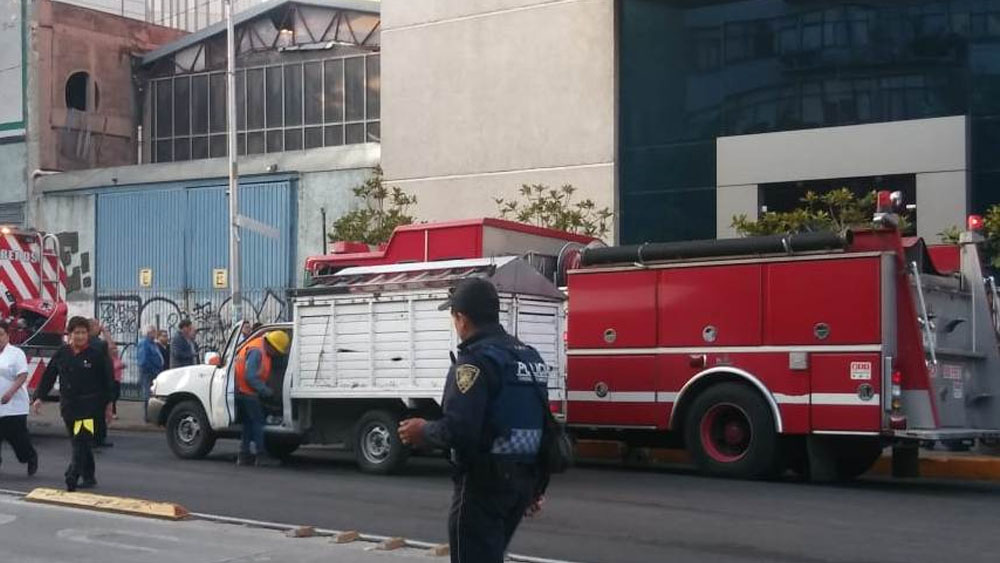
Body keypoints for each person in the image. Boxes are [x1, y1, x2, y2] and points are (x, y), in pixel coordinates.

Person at [398, 278, 550, 563]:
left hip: (484, 485)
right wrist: (537, 486)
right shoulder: (529, 358)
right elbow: (545, 426)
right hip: (521, 484)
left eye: (454, 318)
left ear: (462, 319)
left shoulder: (474, 362)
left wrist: (423, 431)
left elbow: (459, 430)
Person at [31, 316, 114, 492]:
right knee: (81, 442)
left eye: (83, 333)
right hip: (69, 406)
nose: (80, 336)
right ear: (70, 334)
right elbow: (49, 375)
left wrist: (109, 405)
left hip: (90, 407)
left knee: (80, 440)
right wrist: (39, 397)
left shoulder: (96, 353)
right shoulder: (62, 353)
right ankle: (89, 476)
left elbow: (108, 380)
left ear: (88, 334)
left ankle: (72, 475)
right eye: (77, 333)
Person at [234, 330, 290, 467]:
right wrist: (266, 391)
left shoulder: (259, 347)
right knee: (258, 423)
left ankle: (243, 455)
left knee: (248, 424)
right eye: (276, 351)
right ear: (272, 346)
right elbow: (250, 377)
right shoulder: (257, 352)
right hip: (248, 392)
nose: (276, 355)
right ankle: (261, 456)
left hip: (244, 391)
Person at [0, 320, 38, 476]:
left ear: (7, 335)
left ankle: (30, 457)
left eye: (1, 335)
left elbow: (22, 375)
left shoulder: (16, 354)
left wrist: (10, 393)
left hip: (14, 406)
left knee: (18, 439)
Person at [88, 319, 114, 448]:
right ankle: (96, 439)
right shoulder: (98, 344)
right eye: (97, 325)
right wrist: (106, 333)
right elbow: (112, 350)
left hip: (96, 382)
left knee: (97, 413)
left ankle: (97, 438)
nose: (99, 327)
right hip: (98, 383)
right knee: (96, 413)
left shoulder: (95, 342)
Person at [137, 326, 164, 419]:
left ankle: (152, 414)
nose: (155, 334)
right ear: (149, 333)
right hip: (148, 373)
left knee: (153, 393)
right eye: (154, 332)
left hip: (155, 371)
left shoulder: (153, 343)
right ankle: (147, 415)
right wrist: (153, 370)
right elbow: (143, 360)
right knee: (148, 394)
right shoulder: (144, 343)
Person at [103, 329, 124, 420]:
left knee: (117, 395)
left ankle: (111, 412)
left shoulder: (117, 358)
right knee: (113, 397)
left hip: (118, 379)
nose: (116, 351)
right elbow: (111, 367)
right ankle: (112, 412)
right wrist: (119, 366)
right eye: (113, 349)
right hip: (112, 379)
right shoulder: (109, 358)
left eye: (116, 349)